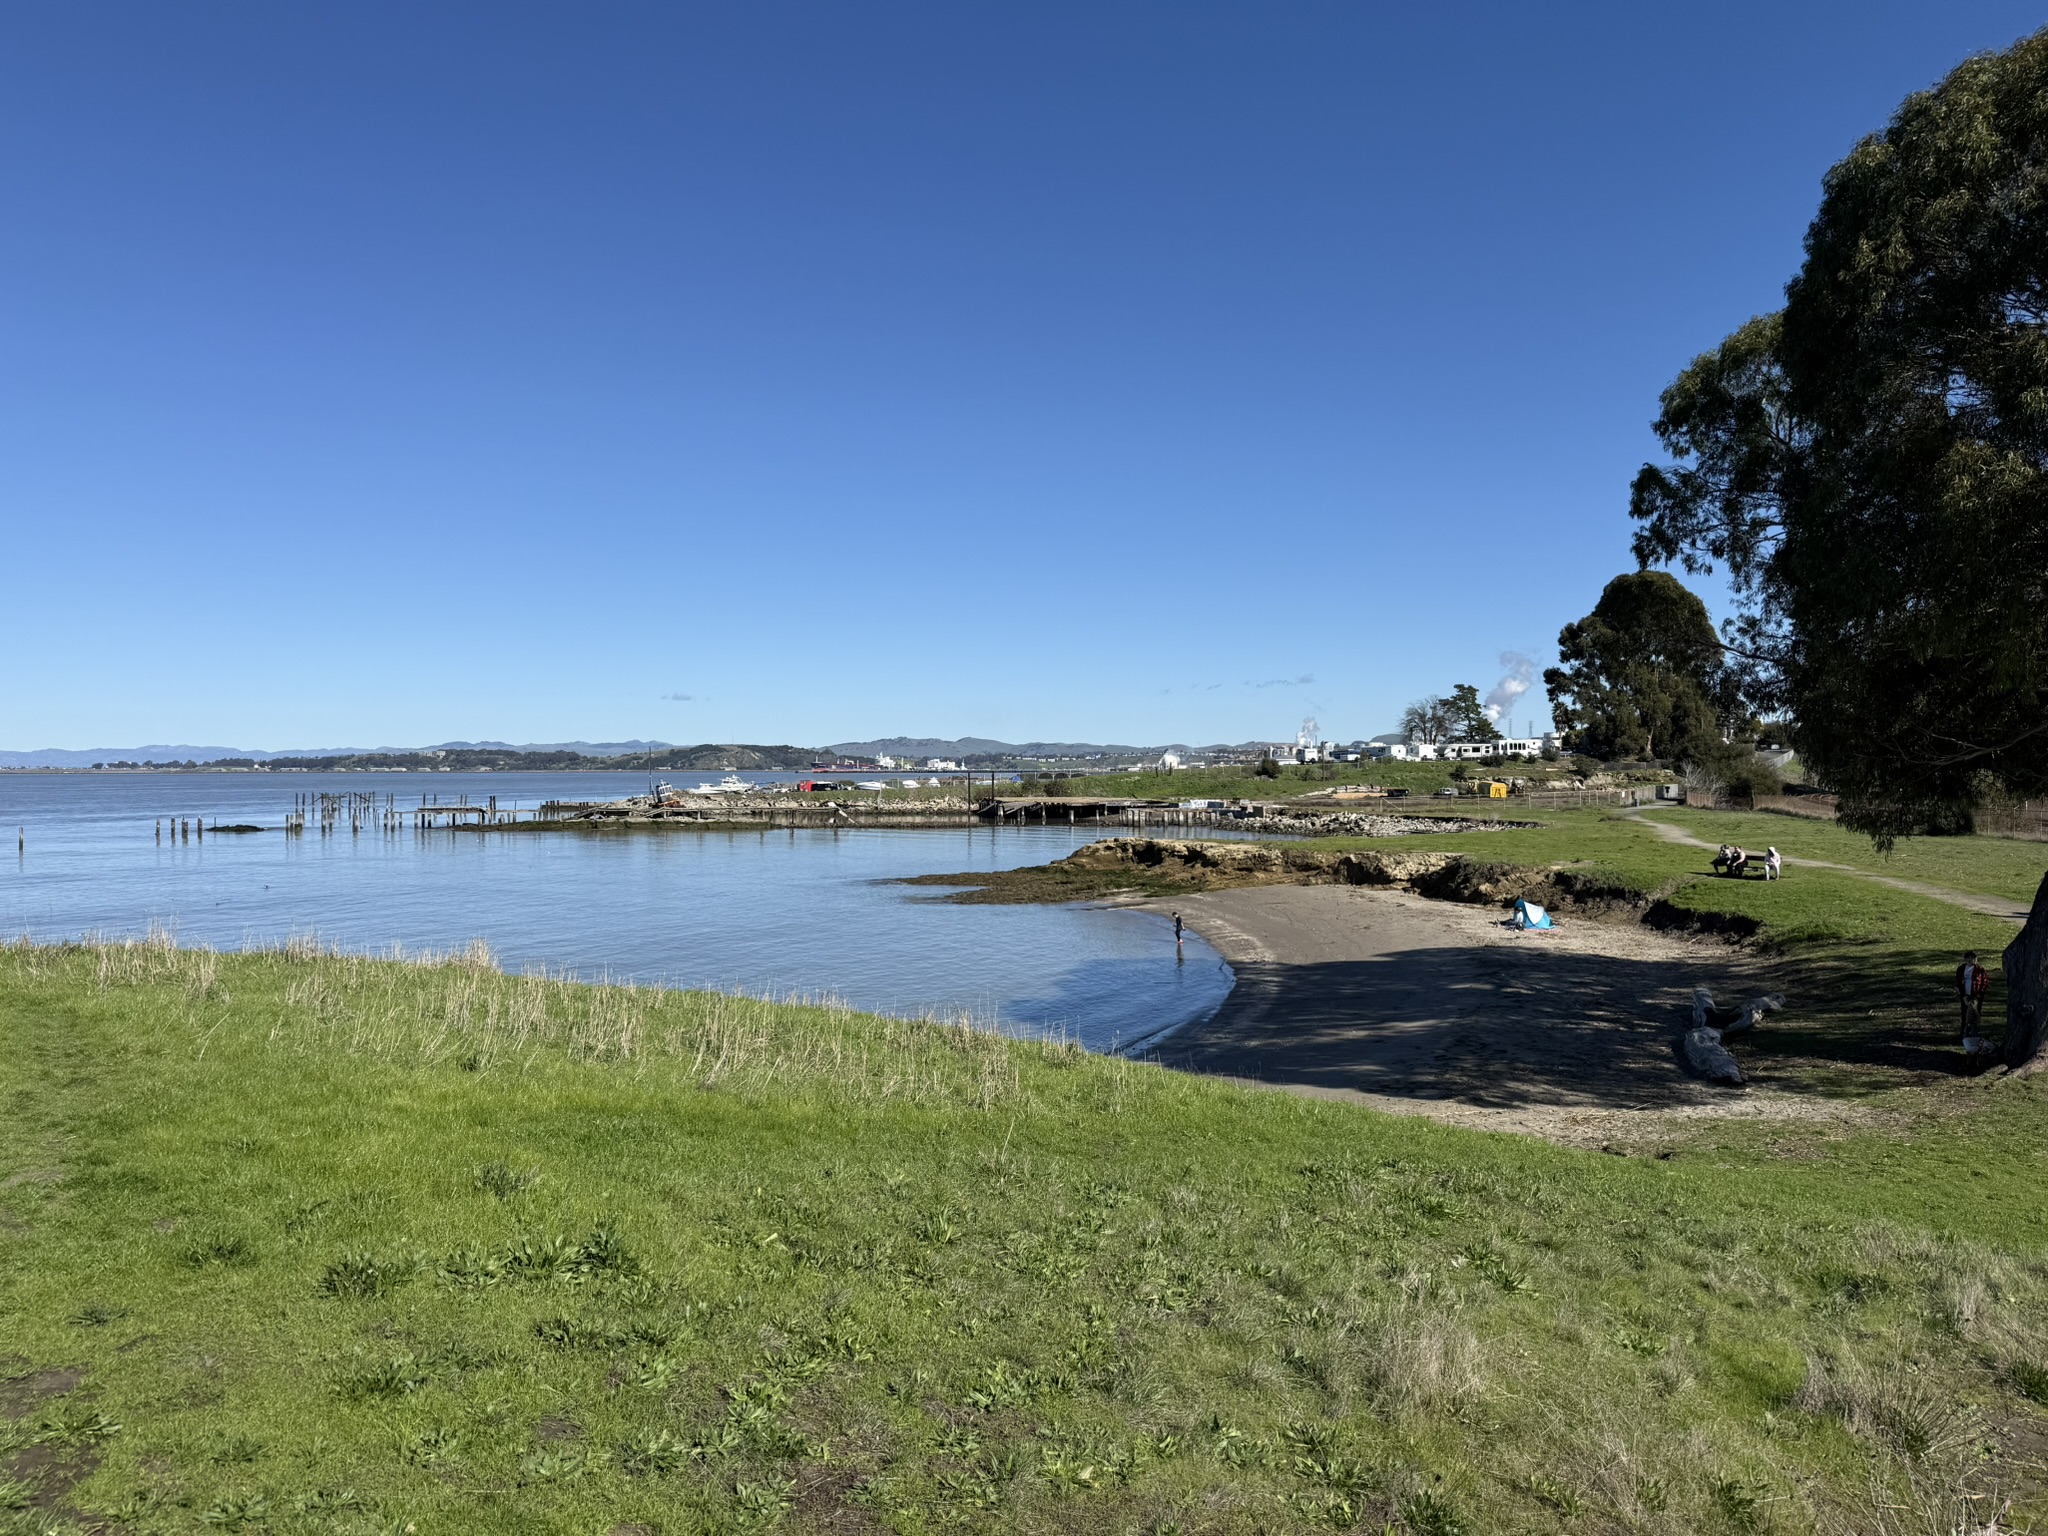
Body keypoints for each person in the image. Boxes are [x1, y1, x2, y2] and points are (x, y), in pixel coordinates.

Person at [1957, 951, 1989, 1039]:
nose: (1972, 960)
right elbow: (1958, 982)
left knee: (1975, 1014)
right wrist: (1962, 995)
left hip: (1976, 995)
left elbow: (1985, 982)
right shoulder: (1961, 969)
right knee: (1964, 1014)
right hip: (1965, 995)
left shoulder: (1980, 969)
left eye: (1974, 959)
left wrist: (1980, 993)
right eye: (1970, 958)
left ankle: (1975, 1033)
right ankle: (1963, 1033)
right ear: (1966, 959)